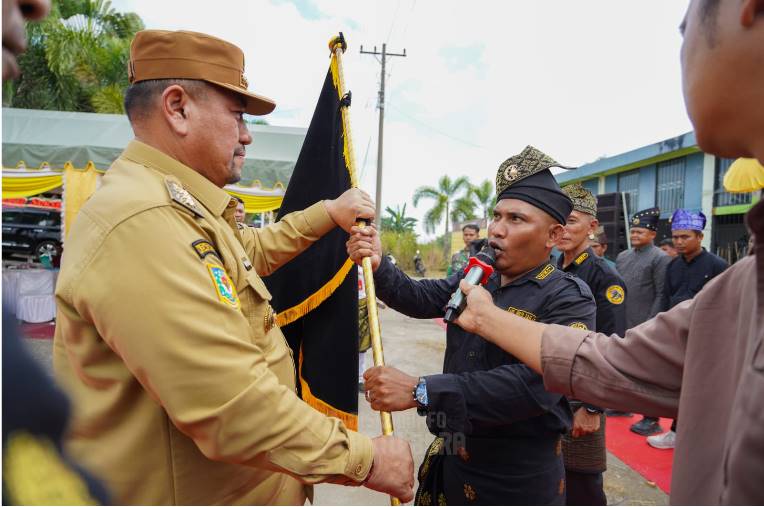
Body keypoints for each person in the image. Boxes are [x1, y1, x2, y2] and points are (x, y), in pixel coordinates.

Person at [52, 29, 414, 505]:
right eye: (237, 115)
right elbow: (231, 405)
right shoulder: (143, 221)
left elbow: (251, 250)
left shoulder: (182, 209)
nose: (246, 135)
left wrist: (328, 212)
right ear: (178, 108)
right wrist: (367, 460)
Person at [447, 1, 764, 503]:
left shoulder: (585, 282)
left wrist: (588, 403)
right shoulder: (743, 284)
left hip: (562, 414)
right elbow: (617, 361)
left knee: (584, 481)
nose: (499, 230)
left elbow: (606, 342)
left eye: (684, 26)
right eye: (498, 217)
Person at [348, 146, 596, 505]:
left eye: (516, 219)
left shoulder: (569, 297)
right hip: (455, 454)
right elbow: (421, 297)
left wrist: (422, 391)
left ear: (553, 235)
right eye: (496, 216)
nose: (496, 230)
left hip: (515, 478)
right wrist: (378, 263)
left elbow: (533, 387)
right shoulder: (480, 277)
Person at [556, 183, 627, 505]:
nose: (562, 228)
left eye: (571, 221)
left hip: (582, 395)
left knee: (582, 483)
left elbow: (614, 347)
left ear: (592, 226)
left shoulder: (604, 276)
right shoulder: (553, 268)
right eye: (558, 220)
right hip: (551, 389)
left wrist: (594, 407)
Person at [647, 209, 728, 450]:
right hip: (678, 334)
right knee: (679, 385)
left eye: (685, 237)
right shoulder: (673, 266)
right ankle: (677, 431)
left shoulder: (718, 266)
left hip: (707, 337)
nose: (679, 242)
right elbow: (666, 298)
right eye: (676, 237)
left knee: (703, 387)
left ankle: (702, 434)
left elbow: (725, 304)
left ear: (700, 237)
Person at [616, 206, 671, 436]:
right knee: (621, 366)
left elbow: (662, 293)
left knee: (648, 372)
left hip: (647, 323)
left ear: (652, 234)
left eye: (640, 232)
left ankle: (651, 418)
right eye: (633, 231)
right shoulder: (622, 257)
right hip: (623, 320)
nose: (635, 235)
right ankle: (621, 404)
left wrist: (652, 323)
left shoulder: (660, 258)